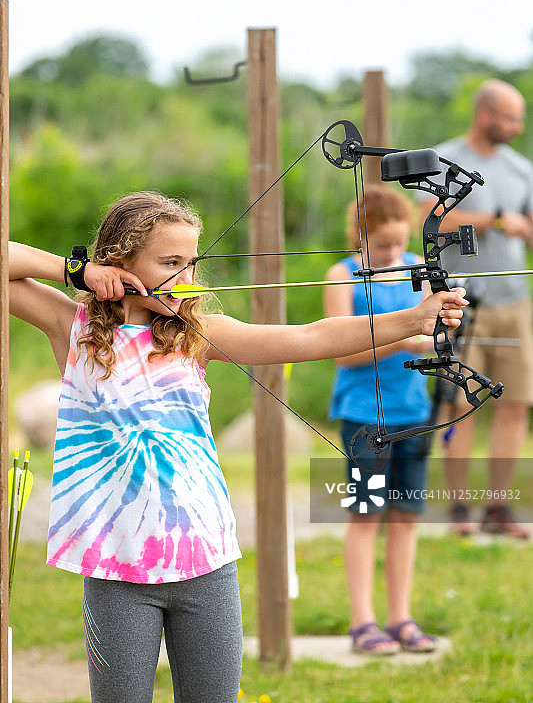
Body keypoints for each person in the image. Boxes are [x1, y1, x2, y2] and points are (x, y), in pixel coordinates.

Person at [9, 191, 466, 702]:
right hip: (117, 569)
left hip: (207, 562)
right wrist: (77, 271)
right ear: (119, 264)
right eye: (169, 263)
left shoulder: (195, 335)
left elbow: (311, 337)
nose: (185, 279)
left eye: (191, 264)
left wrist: (412, 320)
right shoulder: (73, 329)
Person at [324, 187, 437, 655]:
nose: (393, 254)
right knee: (367, 516)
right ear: (359, 236)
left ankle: (401, 618)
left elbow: (434, 335)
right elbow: (341, 350)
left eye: (399, 244)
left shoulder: (419, 270)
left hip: (414, 414)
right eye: (383, 246)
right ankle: (363, 622)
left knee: (406, 518)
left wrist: (432, 339)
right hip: (364, 419)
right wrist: (405, 336)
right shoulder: (341, 275)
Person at [419, 79, 533, 539]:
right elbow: (429, 215)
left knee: (516, 405)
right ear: (486, 116)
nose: (518, 127)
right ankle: (458, 510)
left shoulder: (521, 168)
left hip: (514, 302)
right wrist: (496, 221)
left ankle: (499, 510)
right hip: (458, 302)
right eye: (510, 117)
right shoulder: (443, 159)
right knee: (458, 404)